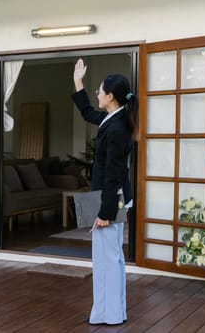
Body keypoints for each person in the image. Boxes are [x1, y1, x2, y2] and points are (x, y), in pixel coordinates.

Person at [71, 58, 137, 325]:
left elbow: (113, 175)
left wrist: (106, 212)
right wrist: (78, 82)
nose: (97, 94)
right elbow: (88, 112)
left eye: (99, 91)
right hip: (112, 199)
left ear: (110, 96)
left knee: (108, 260)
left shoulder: (117, 128)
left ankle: (111, 315)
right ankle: (108, 313)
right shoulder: (113, 118)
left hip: (112, 200)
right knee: (109, 258)